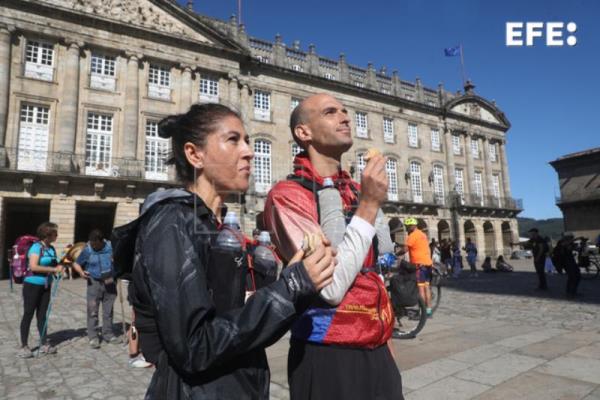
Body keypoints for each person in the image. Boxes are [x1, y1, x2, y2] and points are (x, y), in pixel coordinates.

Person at [119, 103, 334, 399]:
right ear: (195, 155)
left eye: (246, 141)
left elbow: (241, 326)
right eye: (233, 140)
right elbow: (195, 347)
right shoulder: (171, 222)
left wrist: (296, 283)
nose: (249, 151)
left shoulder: (216, 226)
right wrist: (291, 287)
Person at [265, 93, 403, 400]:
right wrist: (368, 205)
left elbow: (375, 270)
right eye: (330, 112)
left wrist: (387, 343)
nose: (345, 117)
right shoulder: (287, 195)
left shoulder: (355, 190)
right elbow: (331, 288)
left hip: (377, 345)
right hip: (328, 351)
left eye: (345, 110)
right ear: (304, 133)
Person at [18, 222, 63, 358]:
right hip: (32, 284)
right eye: (55, 233)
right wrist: (53, 269)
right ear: (47, 234)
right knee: (28, 313)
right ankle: (24, 346)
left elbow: (55, 264)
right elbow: (33, 267)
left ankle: (43, 343)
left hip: (45, 285)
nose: (57, 235)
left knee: (42, 315)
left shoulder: (51, 249)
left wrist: (59, 269)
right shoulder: (36, 248)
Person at [72, 230, 118, 348]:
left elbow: (120, 260)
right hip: (94, 282)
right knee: (93, 310)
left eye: (95, 244)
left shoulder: (111, 247)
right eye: (92, 243)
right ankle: (93, 337)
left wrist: (116, 263)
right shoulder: (87, 250)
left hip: (110, 282)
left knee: (108, 311)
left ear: (102, 241)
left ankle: (108, 334)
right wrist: (81, 273)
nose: (93, 246)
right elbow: (76, 264)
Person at [558, 233, 581, 298]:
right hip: (566, 263)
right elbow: (565, 246)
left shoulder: (569, 243)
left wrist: (581, 245)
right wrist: (576, 239)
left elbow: (577, 249)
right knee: (574, 277)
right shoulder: (561, 242)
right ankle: (570, 293)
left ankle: (571, 291)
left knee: (575, 277)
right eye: (572, 238)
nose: (572, 239)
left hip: (571, 262)